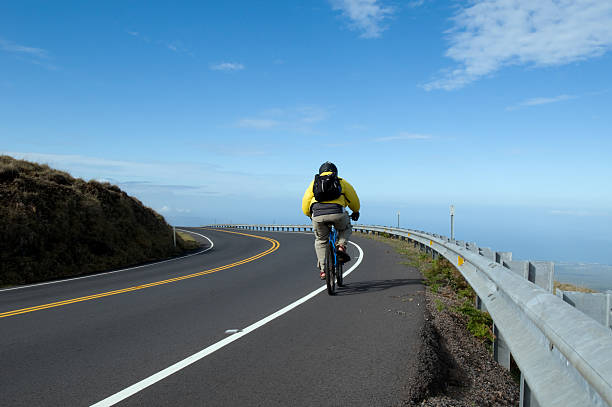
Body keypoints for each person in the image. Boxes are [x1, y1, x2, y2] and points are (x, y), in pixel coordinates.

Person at [301, 162, 360, 279]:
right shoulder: (341, 182)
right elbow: (354, 199)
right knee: (346, 228)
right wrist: (355, 211)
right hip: (338, 213)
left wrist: (309, 214)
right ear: (335, 172)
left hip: (318, 215)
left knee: (321, 240)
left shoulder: (314, 183)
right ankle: (341, 247)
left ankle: (323, 270)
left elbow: (305, 202)